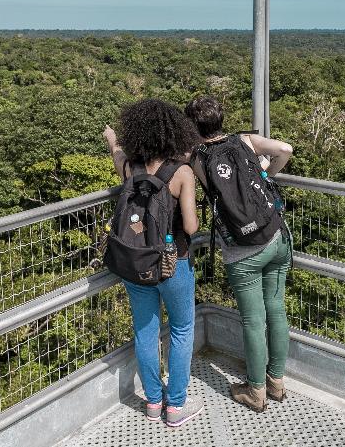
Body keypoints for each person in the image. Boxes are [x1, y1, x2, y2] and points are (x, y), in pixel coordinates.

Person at [184, 96, 294, 413]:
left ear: (194, 128)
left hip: (242, 250)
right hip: (276, 236)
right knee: (276, 309)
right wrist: (267, 174)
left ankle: (255, 391)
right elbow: (285, 149)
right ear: (221, 120)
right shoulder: (244, 139)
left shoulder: (196, 159)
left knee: (252, 320)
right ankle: (277, 382)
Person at [103, 99, 203, 427]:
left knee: (145, 331)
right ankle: (175, 406)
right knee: (181, 328)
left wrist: (112, 139)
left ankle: (152, 402)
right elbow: (190, 227)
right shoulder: (182, 173)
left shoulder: (130, 167)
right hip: (175, 263)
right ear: (175, 132)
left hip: (136, 263)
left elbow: (117, 153)